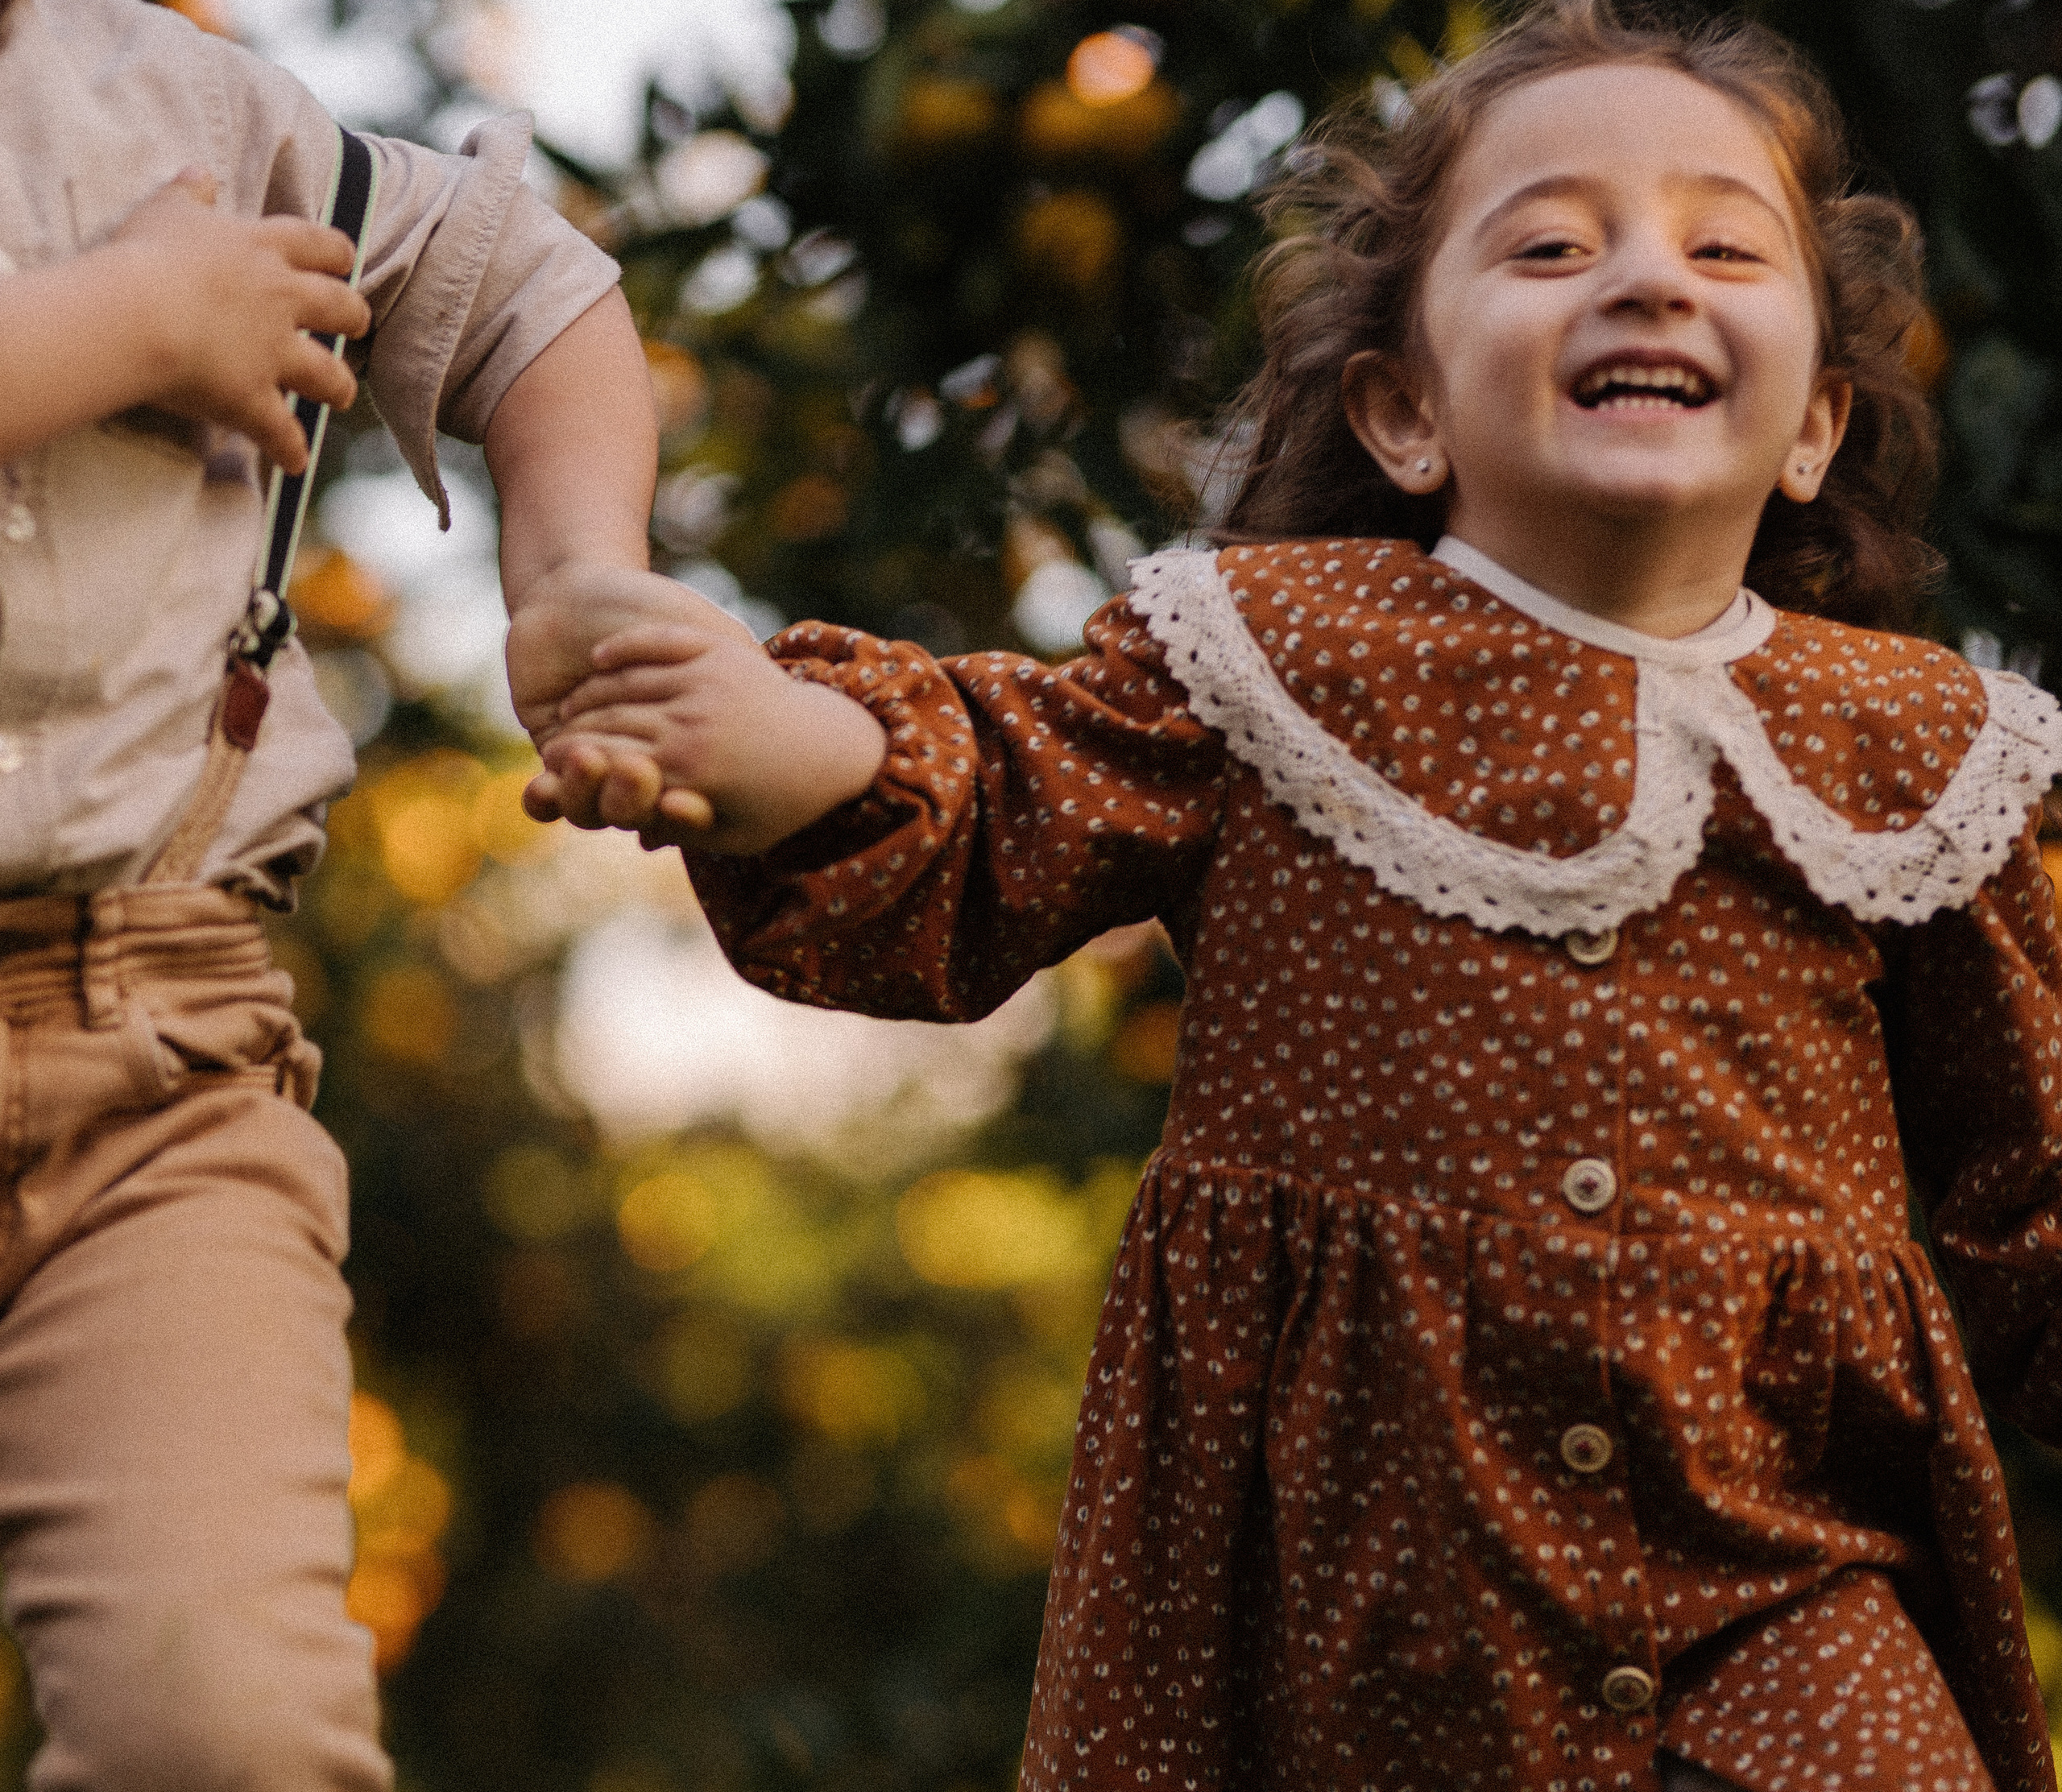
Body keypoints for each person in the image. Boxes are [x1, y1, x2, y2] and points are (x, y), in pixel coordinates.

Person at [530, 2, 2062, 1788]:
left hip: (1775, 1577)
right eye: (1551, 244)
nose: (1646, 278)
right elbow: (997, 790)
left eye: (1722, 245)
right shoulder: (1271, 655)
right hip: (1344, 1597)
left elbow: (2033, 1171)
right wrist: (767, 735)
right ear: (1403, 412)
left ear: (1810, 427)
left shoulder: (1921, 749)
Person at [0, 0, 691, 1786]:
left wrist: (576, 579)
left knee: (222, 1728)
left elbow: (528, 291)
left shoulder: (189, 115)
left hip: (150, 1063)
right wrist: (138, 318)